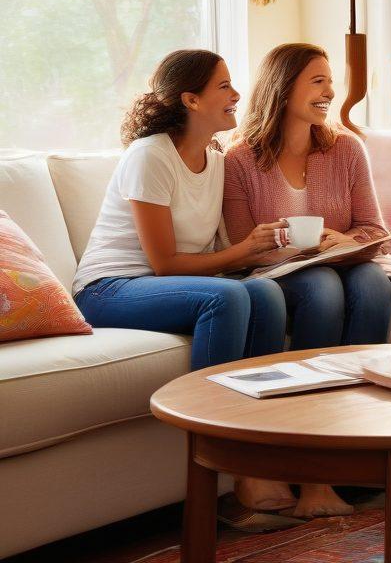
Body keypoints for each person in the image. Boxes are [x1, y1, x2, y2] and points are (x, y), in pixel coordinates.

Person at [73, 49, 291, 527]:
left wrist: (261, 254)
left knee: (267, 293)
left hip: (172, 285)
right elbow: (165, 263)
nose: (237, 96)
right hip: (109, 289)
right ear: (190, 99)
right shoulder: (150, 155)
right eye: (224, 87)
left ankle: (264, 456)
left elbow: (210, 253)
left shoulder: (215, 161)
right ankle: (223, 475)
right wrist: (243, 254)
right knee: (230, 294)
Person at [223, 42, 391, 519]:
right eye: (318, 81)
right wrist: (292, 249)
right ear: (284, 88)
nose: (331, 91)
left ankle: (354, 459)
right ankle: (313, 472)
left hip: (347, 263)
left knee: (372, 286)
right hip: (280, 273)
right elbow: (244, 247)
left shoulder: (346, 148)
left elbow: (375, 231)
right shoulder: (240, 160)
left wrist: (335, 240)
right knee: (322, 289)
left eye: (330, 80)